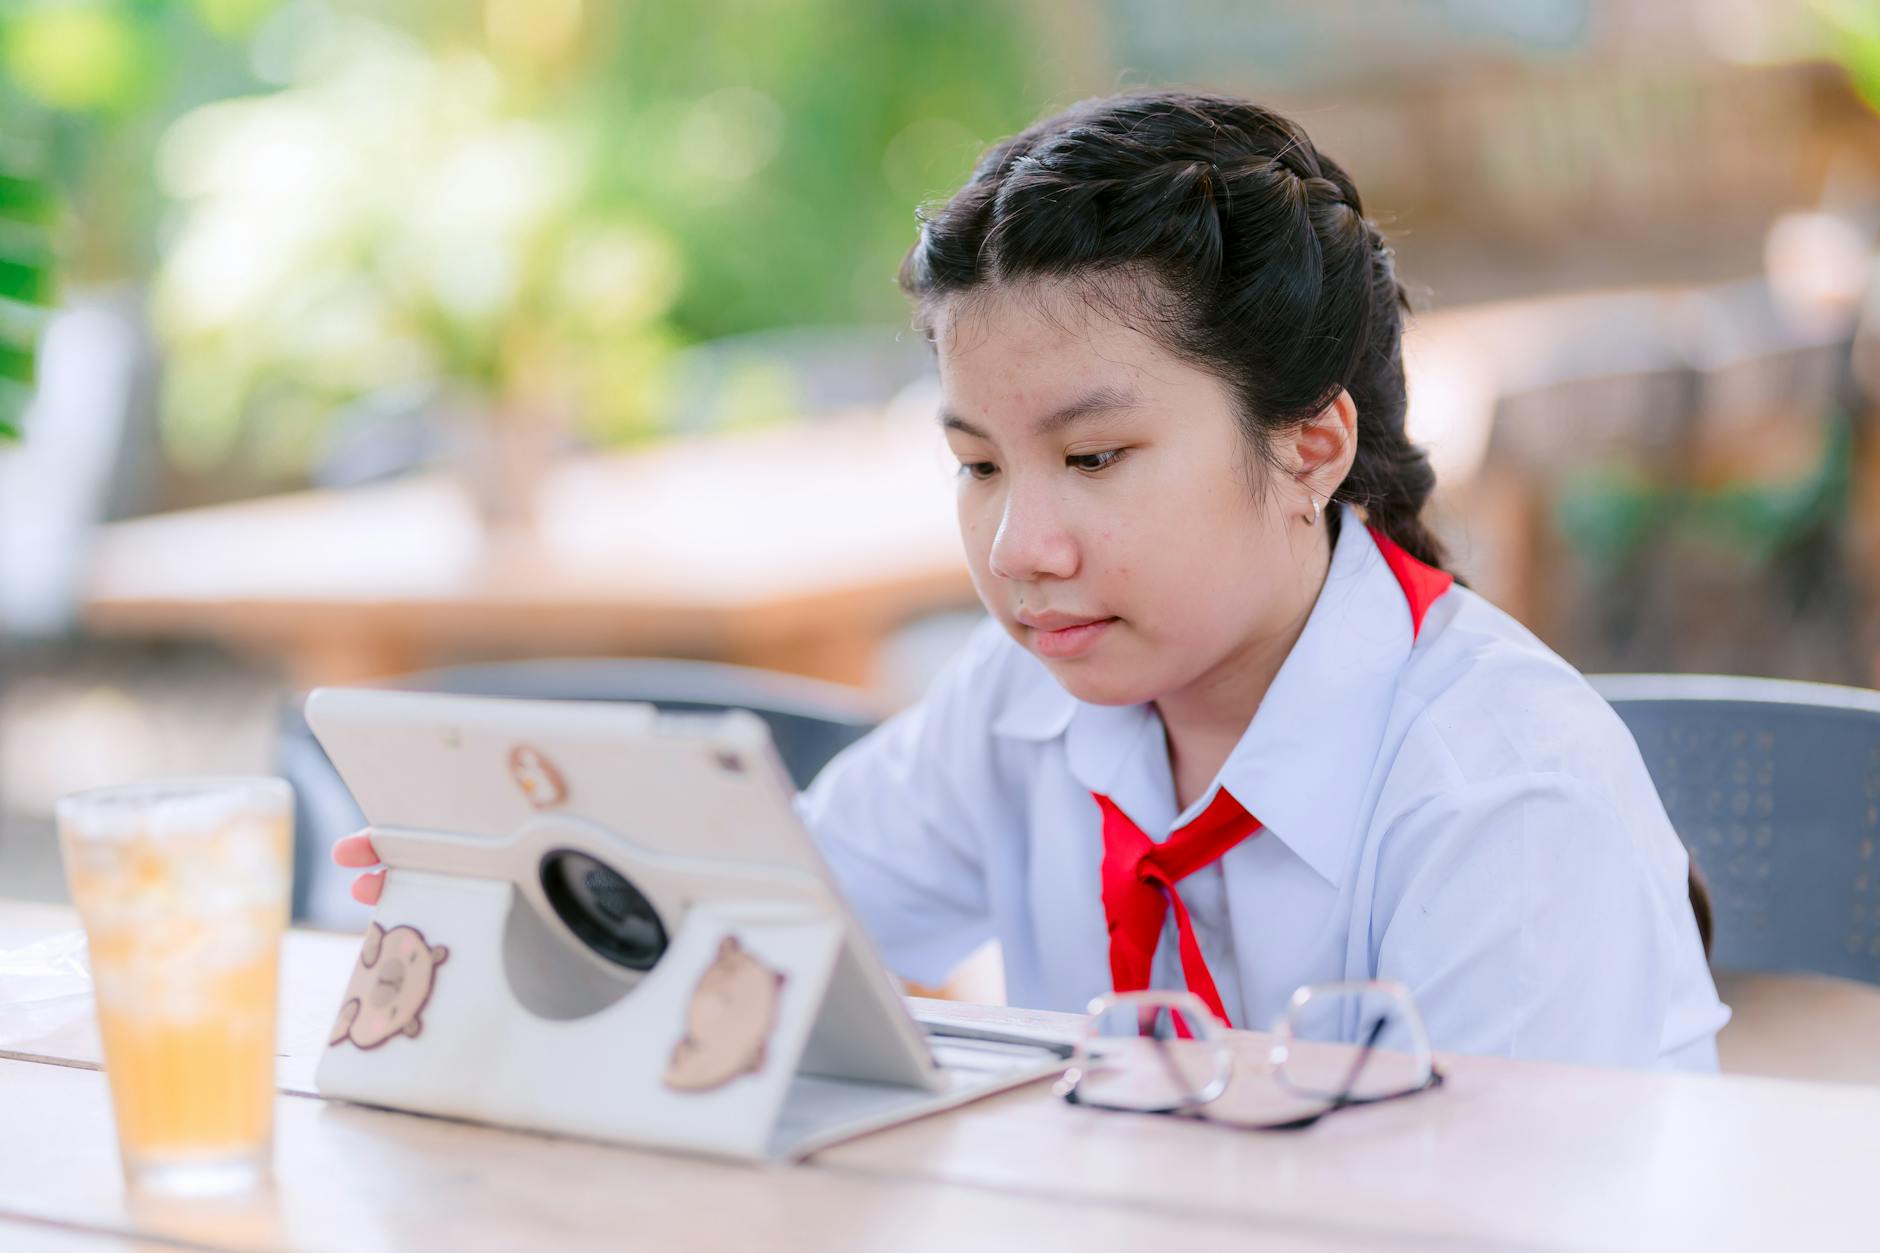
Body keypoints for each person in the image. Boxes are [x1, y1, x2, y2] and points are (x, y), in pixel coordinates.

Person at [336, 90, 1728, 1071]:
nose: (1020, 550)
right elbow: (764, 922)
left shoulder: (1501, 796)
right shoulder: (1023, 706)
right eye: (980, 466)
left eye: (1097, 455)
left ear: (1311, 446)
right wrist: (537, 890)